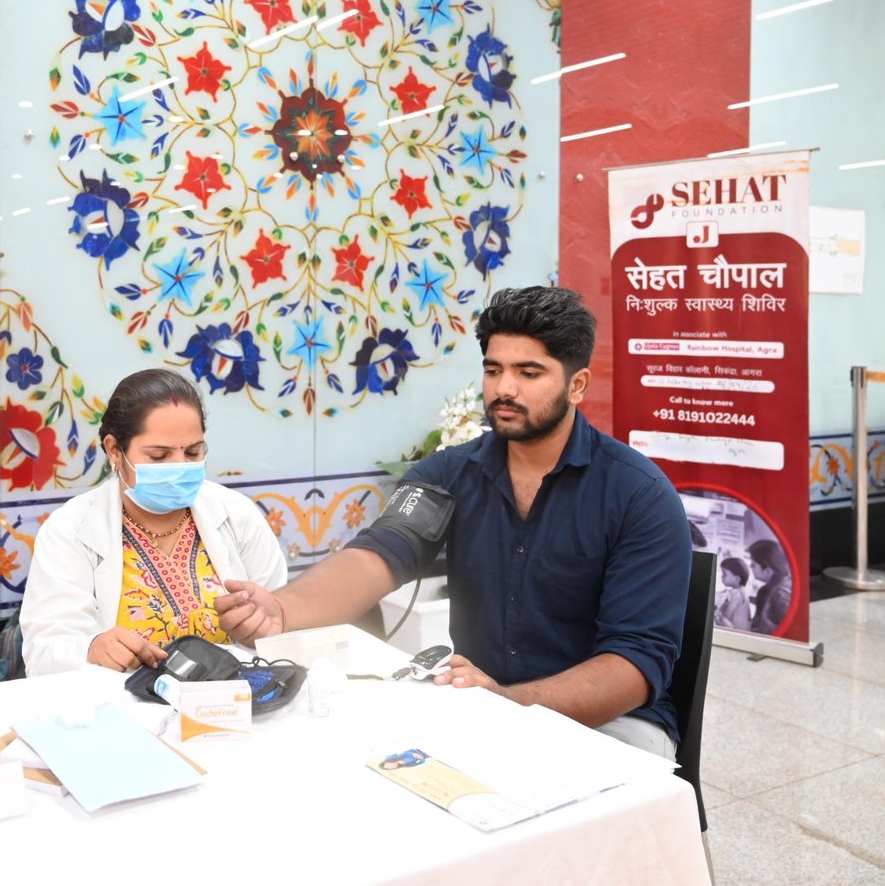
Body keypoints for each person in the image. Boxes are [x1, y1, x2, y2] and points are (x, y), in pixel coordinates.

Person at [215, 286, 692, 759]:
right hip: (474, 700)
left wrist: (510, 703)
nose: (505, 388)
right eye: (494, 369)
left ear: (577, 385)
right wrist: (283, 610)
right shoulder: (446, 476)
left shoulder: (638, 495)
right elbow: (380, 553)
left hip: (610, 724)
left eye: (529, 372)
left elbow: (634, 663)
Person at [20, 368, 288, 676]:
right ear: (114, 450)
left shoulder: (237, 515)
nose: (179, 467)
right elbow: (45, 652)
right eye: (159, 456)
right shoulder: (70, 530)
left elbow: (285, 623)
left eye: (193, 452)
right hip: (121, 715)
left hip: (232, 705)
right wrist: (91, 649)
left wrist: (266, 633)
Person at [747, 539, 792, 636]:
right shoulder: (767, 589)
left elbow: (787, 632)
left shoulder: (780, 594)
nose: (750, 566)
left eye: (753, 565)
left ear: (768, 570)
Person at [716, 556, 751, 629]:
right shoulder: (742, 591)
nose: (721, 577)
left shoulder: (737, 594)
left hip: (737, 632)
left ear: (737, 579)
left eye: (724, 574)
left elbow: (726, 616)